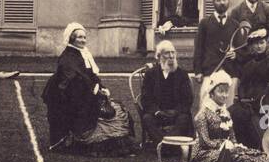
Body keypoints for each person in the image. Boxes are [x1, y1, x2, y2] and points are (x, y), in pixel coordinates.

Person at [42, 22, 134, 154]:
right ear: (71, 39)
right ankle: (87, 139)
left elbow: (91, 75)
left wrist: (101, 86)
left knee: (117, 108)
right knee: (107, 111)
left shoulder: (83, 53)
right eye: (79, 37)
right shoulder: (68, 57)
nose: (83, 40)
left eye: (84, 37)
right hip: (68, 98)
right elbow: (74, 82)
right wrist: (95, 91)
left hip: (85, 93)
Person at [190, 71, 269, 162]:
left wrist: (235, 145)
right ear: (212, 93)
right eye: (220, 91)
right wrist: (224, 145)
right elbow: (205, 142)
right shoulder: (202, 115)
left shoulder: (225, 112)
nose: (225, 95)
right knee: (233, 157)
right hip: (204, 154)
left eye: (226, 92)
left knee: (244, 152)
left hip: (225, 148)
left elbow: (232, 136)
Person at [228, 27, 269, 147]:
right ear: (252, 46)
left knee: (256, 120)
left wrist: (256, 101)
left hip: (264, 103)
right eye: (256, 44)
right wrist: (243, 99)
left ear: (266, 44)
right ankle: (240, 146)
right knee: (233, 112)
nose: (259, 46)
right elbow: (242, 85)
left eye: (262, 43)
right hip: (246, 103)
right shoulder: (248, 65)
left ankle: (260, 147)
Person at [139, 39, 195, 144]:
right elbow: (145, 99)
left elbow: (187, 100)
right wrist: (156, 111)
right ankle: (165, 143)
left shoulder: (182, 74)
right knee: (147, 118)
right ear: (159, 56)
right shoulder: (150, 74)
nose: (171, 56)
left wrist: (176, 111)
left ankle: (165, 145)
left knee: (184, 118)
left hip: (176, 114)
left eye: (173, 52)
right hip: (158, 114)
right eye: (167, 53)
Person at [192, 0, 238, 77]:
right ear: (213, 2)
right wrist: (198, 71)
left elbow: (240, 48)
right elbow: (198, 48)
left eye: (224, 0)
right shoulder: (204, 23)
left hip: (230, 72)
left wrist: (236, 55)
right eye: (218, 0)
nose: (222, 3)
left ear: (228, 1)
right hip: (209, 71)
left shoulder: (235, 24)